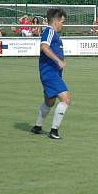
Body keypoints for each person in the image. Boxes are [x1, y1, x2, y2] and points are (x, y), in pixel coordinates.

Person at [31, 8, 71, 139]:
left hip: (52, 74)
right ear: (56, 21)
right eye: (62, 22)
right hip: (50, 73)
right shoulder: (49, 32)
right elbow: (44, 47)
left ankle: (37, 127)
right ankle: (54, 131)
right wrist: (58, 61)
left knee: (49, 101)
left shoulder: (54, 34)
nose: (63, 25)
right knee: (66, 99)